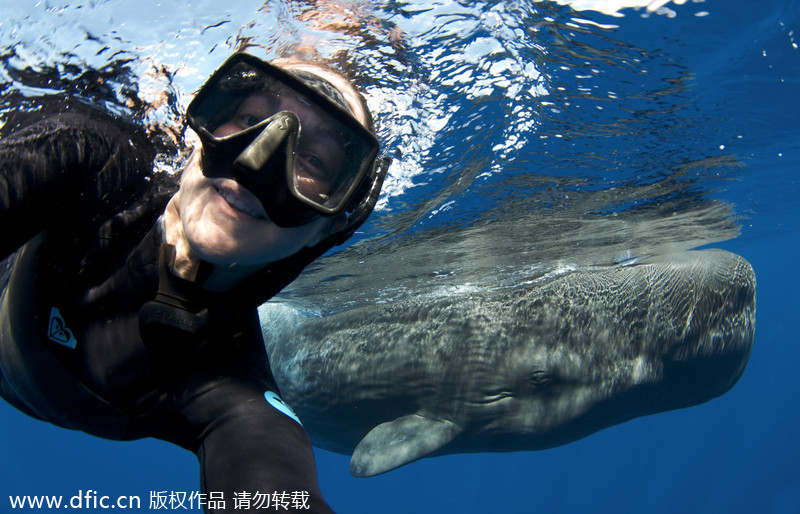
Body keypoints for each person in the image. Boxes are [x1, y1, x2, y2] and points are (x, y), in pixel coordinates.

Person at [0, 52, 388, 513]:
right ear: (197, 134)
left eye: (313, 160)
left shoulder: (231, 385)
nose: (254, 161)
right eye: (249, 119)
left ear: (331, 226)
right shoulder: (92, 159)